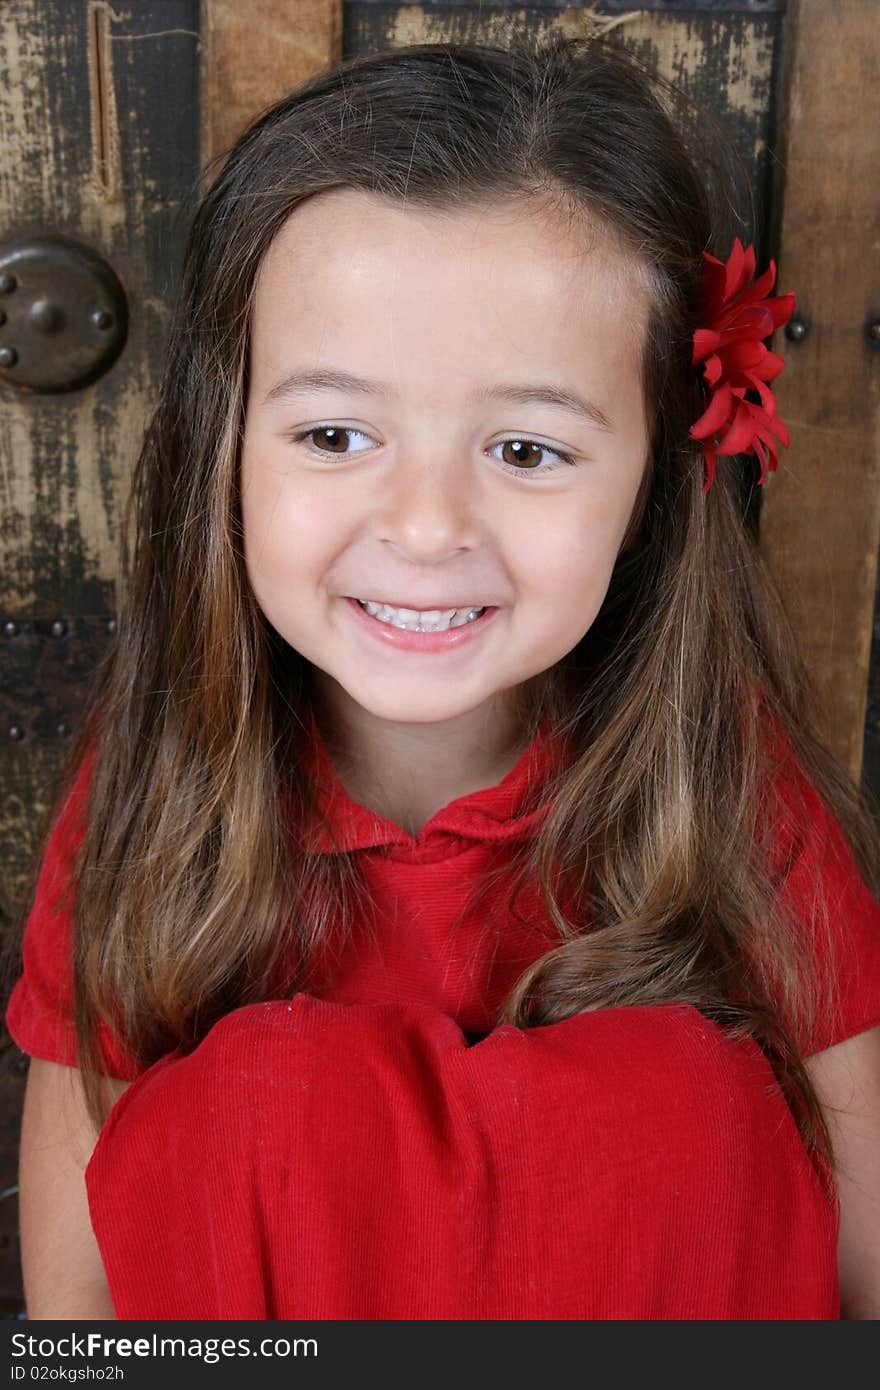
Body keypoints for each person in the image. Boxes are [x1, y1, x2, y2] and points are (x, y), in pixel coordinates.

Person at [5, 33, 880, 1321]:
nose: (424, 527)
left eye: (526, 448)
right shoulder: (160, 786)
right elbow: (83, 1310)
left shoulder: (727, 789)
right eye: (336, 434)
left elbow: (856, 1284)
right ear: (226, 446)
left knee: (693, 1111)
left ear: (651, 484)